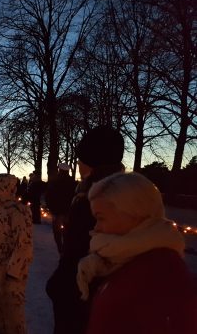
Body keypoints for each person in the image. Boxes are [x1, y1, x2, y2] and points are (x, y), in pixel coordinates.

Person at [79, 172, 196, 334]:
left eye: (101, 218)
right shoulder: (120, 257)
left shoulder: (163, 273)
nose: (96, 227)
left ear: (136, 215)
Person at [46, 125, 125, 334]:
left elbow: (78, 254)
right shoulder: (124, 193)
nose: (78, 165)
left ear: (92, 162)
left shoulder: (93, 200)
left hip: (81, 299)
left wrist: (57, 285)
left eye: (81, 160)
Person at [0, 173, 33, 334]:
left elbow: (23, 245)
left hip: (10, 272)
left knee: (13, 316)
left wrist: (13, 273)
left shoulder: (18, 211)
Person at [45, 163, 77, 253]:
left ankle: (60, 249)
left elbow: (49, 196)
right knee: (68, 232)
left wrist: (50, 208)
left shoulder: (54, 182)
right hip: (69, 212)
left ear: (60, 170)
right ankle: (67, 249)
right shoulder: (73, 182)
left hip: (57, 212)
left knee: (57, 232)